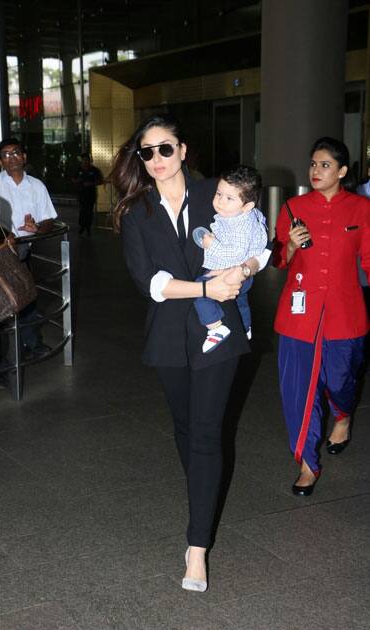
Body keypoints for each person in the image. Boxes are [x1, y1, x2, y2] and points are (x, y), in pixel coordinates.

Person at [110, 113, 269, 592]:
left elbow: (256, 235)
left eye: (165, 148)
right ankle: (203, 487)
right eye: (147, 152)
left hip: (217, 330)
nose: (156, 159)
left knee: (205, 432)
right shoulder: (136, 211)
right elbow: (150, 283)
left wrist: (243, 269)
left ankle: (196, 547)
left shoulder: (213, 195)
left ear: (182, 151)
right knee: (185, 427)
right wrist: (205, 283)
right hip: (168, 335)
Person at [273, 137, 370, 497]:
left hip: (346, 313)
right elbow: (278, 257)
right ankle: (307, 464)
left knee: (342, 379)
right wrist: (291, 246)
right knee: (301, 390)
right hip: (299, 315)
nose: (316, 171)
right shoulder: (293, 207)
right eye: (313, 164)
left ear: (342, 171)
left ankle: (342, 415)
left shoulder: (361, 209)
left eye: (325, 165)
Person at [0, 138, 57, 357]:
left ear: (24, 157)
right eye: (6, 155)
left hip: (23, 250)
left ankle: (31, 344)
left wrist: (36, 228)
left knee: (26, 297)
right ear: (0, 161)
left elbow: (48, 219)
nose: (12, 158)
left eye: (16, 152)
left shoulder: (36, 186)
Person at [192, 166, 267, 352]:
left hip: (233, 271)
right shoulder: (248, 215)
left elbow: (236, 254)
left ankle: (216, 328)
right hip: (243, 276)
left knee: (200, 291)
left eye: (229, 198)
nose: (220, 202)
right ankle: (245, 328)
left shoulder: (240, 226)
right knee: (241, 300)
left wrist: (212, 245)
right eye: (218, 194)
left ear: (247, 206)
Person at [72, 153, 103, 235]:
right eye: (84, 160)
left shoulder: (94, 170)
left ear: (89, 160)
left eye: (87, 160)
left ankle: (88, 227)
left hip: (91, 194)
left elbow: (100, 180)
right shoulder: (78, 170)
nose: (85, 161)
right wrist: (79, 180)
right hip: (81, 194)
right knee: (82, 210)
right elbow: (73, 179)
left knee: (89, 211)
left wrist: (91, 183)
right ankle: (82, 226)